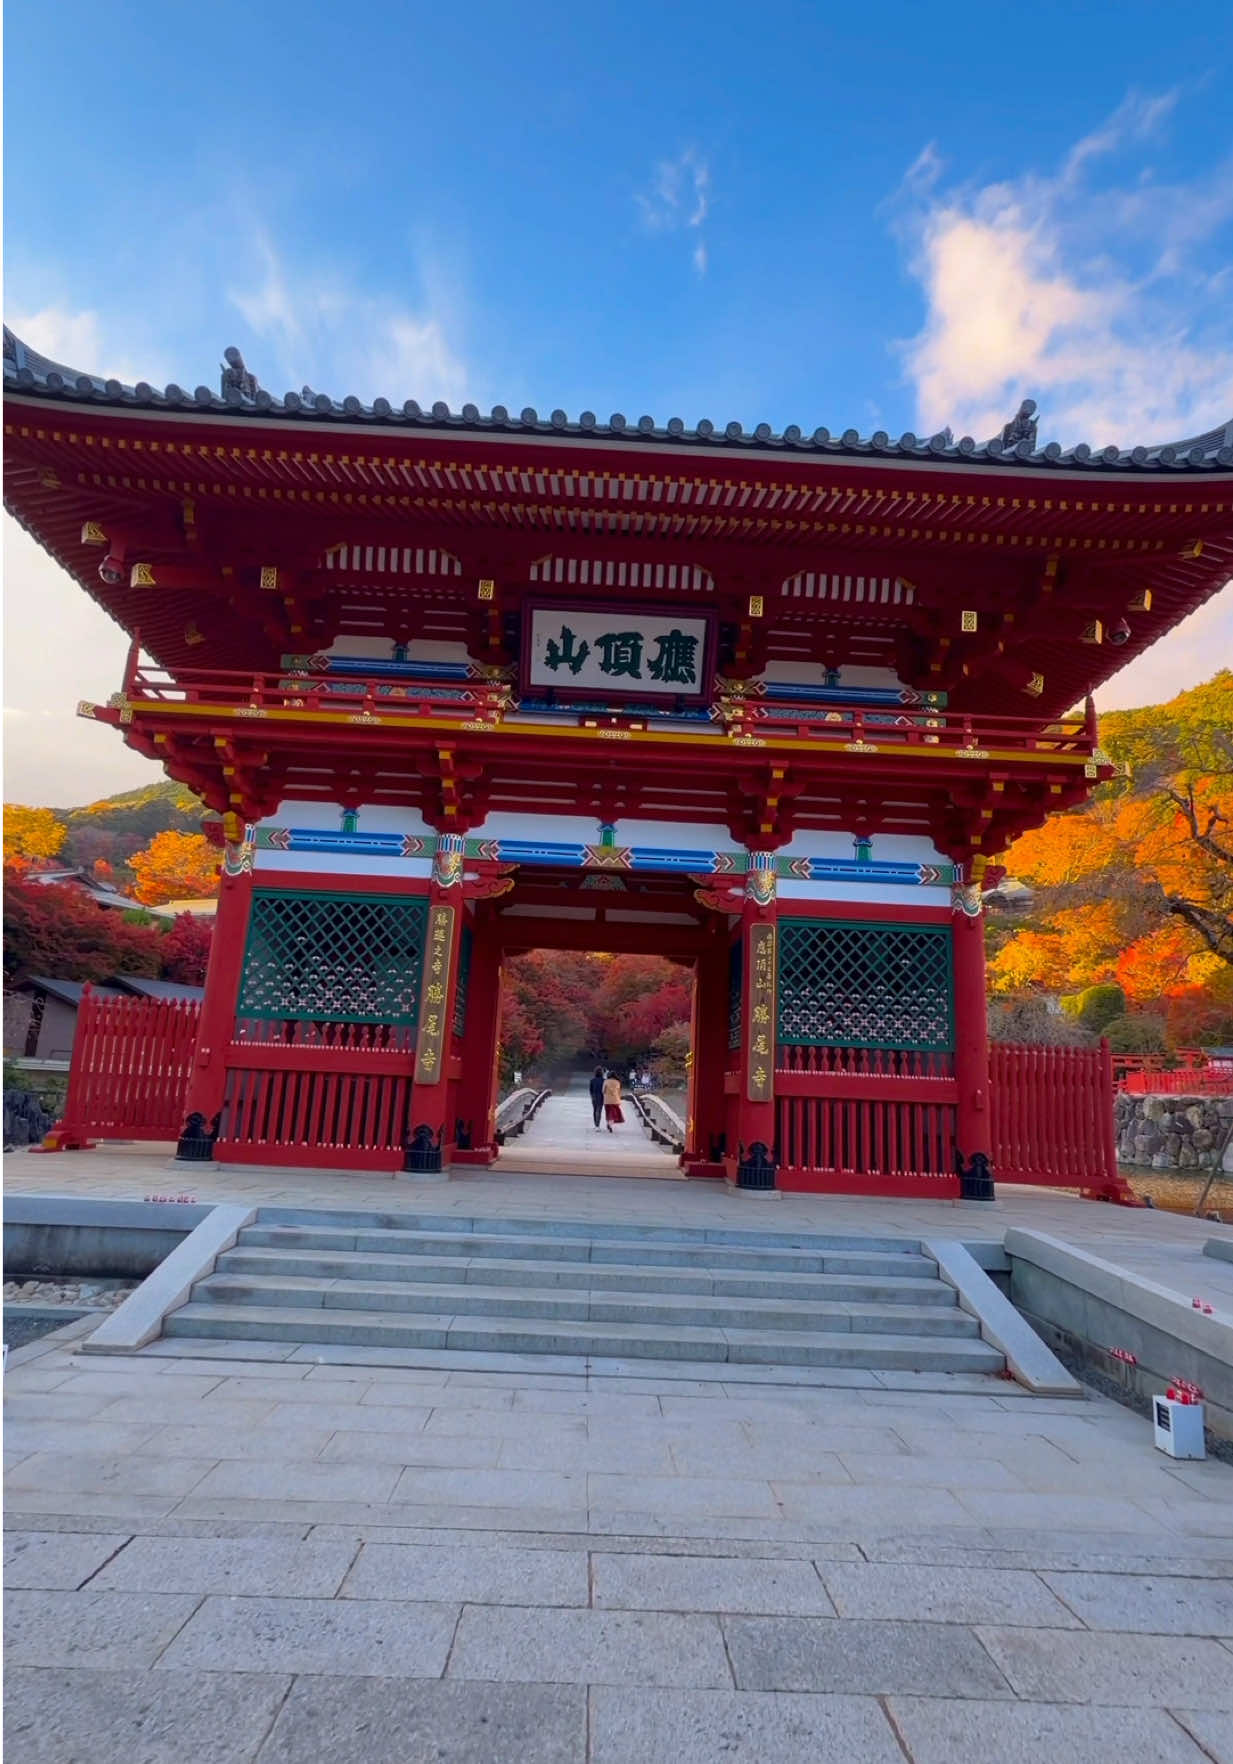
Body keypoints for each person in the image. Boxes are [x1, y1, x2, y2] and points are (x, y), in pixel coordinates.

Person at [588, 1065, 605, 1131]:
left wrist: (592, 1096)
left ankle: (596, 1125)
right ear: (602, 1073)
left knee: (595, 1110)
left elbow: (590, 1090)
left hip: (594, 1097)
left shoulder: (592, 1080)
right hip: (601, 1097)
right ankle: (598, 1125)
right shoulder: (604, 1080)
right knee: (599, 1111)